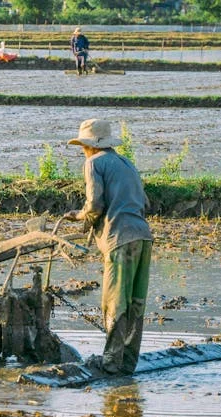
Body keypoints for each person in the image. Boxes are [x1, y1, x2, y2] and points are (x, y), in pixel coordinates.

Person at [63, 118, 153, 375]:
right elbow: (144, 201)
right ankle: (128, 363)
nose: (82, 150)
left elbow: (94, 205)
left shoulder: (93, 163)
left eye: (83, 145)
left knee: (114, 301)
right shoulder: (127, 163)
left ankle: (111, 362)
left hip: (119, 239)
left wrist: (79, 216)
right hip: (143, 237)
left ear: (89, 145)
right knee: (135, 302)